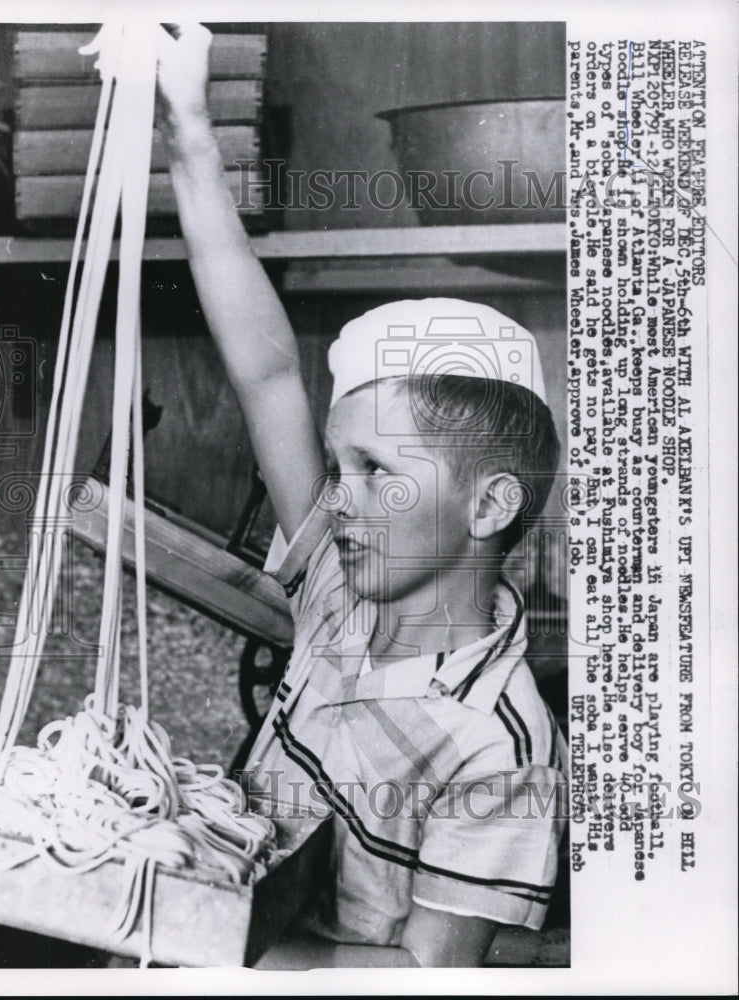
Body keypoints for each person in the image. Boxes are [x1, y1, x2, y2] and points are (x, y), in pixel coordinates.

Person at [156, 23, 568, 969]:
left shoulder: (500, 743)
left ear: (489, 506)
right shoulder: (338, 595)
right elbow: (262, 371)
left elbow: (423, 973)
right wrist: (185, 127)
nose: (335, 501)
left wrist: (199, 944)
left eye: (377, 472)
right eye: (337, 466)